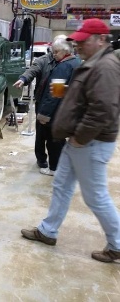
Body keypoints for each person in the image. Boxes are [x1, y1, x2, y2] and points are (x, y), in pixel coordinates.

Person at [21, 18, 120, 263]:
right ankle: (48, 230)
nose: (79, 47)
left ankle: (117, 243)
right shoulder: (92, 62)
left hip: (90, 142)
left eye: (84, 42)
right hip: (77, 141)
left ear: (101, 40)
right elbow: (85, 98)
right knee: (62, 186)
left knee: (95, 196)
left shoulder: (105, 66)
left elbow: (103, 109)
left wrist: (80, 138)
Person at [13, 35, 67, 170]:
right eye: (55, 50)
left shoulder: (66, 61)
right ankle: (41, 158)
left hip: (59, 104)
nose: (56, 53)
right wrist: (23, 79)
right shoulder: (43, 60)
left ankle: (57, 160)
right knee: (41, 133)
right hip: (43, 103)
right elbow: (33, 70)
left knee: (56, 134)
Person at [34, 38, 81, 176]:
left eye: (56, 52)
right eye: (53, 52)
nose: (53, 55)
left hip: (56, 111)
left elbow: (54, 94)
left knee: (53, 141)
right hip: (67, 109)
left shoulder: (63, 67)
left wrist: (44, 114)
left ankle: (54, 168)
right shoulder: (76, 62)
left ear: (66, 51)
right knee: (60, 141)